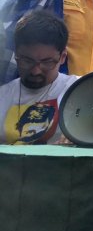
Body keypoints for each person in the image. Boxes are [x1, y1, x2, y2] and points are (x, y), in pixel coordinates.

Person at [0, 10, 78, 145]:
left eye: (47, 62)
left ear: (63, 57)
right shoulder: (3, 96)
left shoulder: (78, 91)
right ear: (16, 54)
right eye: (27, 61)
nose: (36, 71)